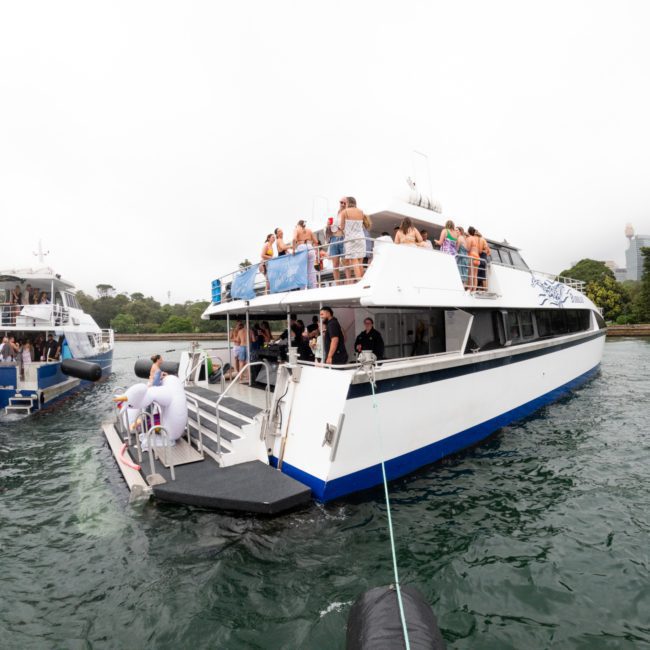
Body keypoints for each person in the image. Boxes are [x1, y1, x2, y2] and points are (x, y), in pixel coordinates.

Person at [339, 196, 366, 282]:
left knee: (354, 261)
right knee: (360, 261)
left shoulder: (344, 212)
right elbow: (361, 225)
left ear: (348, 203)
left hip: (351, 239)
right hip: (361, 238)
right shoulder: (361, 212)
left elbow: (342, 227)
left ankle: (359, 281)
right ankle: (363, 280)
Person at [292, 220, 319, 289]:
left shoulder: (296, 229)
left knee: (302, 270)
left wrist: (293, 249)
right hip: (310, 247)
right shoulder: (309, 230)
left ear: (298, 224)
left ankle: (303, 288)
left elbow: (294, 239)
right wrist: (316, 250)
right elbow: (316, 241)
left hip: (301, 248)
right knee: (311, 270)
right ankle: (314, 287)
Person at [327, 198, 347, 284]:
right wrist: (328, 225)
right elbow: (328, 230)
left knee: (346, 263)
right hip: (333, 239)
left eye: (344, 203)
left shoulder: (347, 213)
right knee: (335, 265)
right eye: (341, 202)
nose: (342, 204)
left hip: (343, 238)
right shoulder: (334, 214)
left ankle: (348, 282)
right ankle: (337, 284)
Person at [466, 227, 481, 291]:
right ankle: (474, 289)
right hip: (477, 257)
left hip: (471, 256)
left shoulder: (469, 238)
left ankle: (470, 288)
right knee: (475, 275)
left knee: (470, 274)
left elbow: (468, 249)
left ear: (468, 231)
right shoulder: (476, 239)